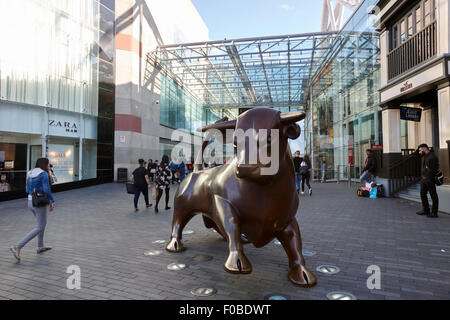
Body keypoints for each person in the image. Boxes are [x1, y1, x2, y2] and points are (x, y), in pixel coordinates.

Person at [10, 158, 55, 262]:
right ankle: (17, 246)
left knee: (41, 225)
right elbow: (46, 189)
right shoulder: (43, 174)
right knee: (40, 227)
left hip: (30, 202)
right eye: (48, 164)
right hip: (39, 203)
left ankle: (40, 246)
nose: (49, 166)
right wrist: (52, 201)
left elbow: (27, 189)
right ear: (45, 164)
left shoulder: (30, 173)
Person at [415, 144, 440, 218]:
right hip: (423, 179)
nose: (419, 151)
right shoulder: (423, 155)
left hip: (430, 179)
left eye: (420, 150)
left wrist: (429, 178)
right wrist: (418, 149)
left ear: (424, 148)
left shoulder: (432, 157)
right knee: (423, 194)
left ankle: (434, 213)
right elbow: (414, 155)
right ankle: (426, 210)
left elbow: (433, 170)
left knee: (433, 195)